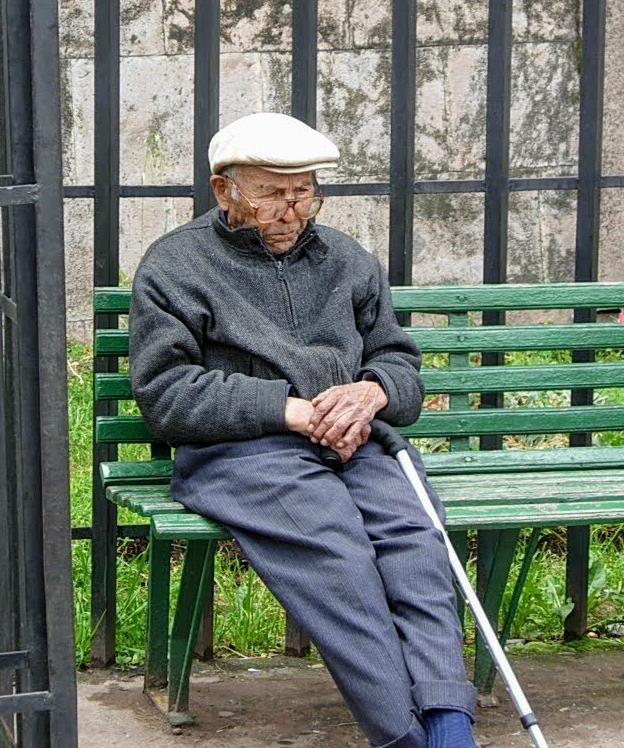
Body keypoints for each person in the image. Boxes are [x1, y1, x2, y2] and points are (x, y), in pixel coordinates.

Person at [130, 113, 478, 748]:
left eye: (304, 192)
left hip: (356, 444)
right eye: (270, 193)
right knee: (339, 558)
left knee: (416, 543)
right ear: (223, 190)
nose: (291, 211)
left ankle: (450, 727)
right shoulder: (176, 266)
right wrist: (291, 409)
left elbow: (399, 361)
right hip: (245, 454)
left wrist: (372, 392)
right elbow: (166, 395)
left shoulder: (347, 260)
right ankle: (403, 736)